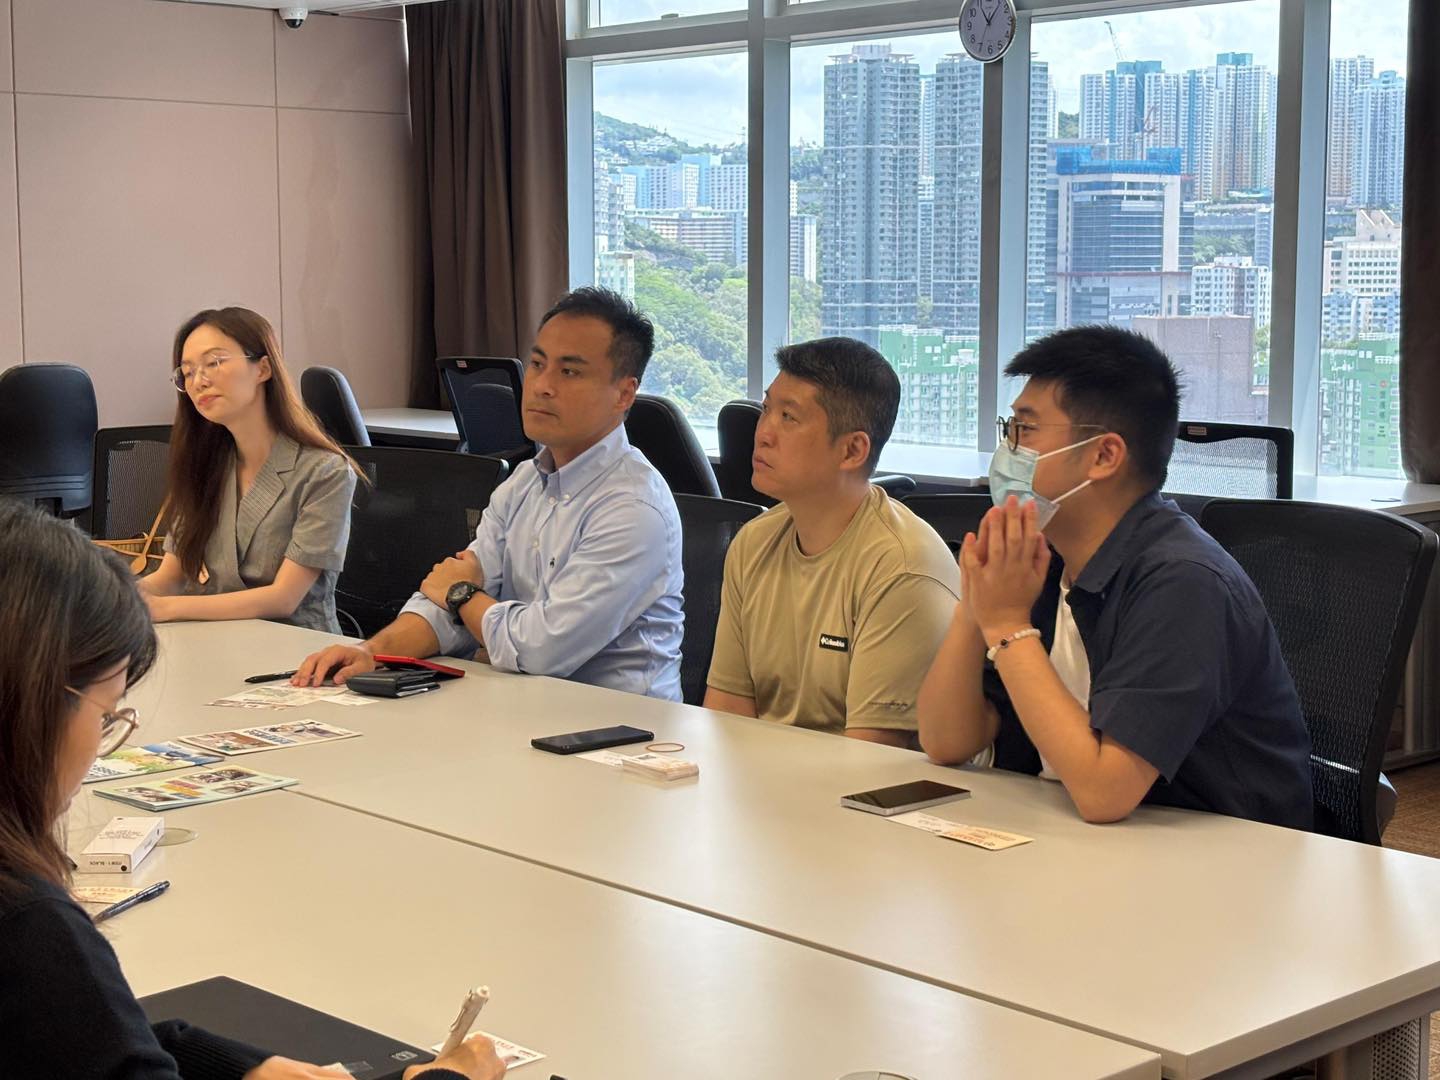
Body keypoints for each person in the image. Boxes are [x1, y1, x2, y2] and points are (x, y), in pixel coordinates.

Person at [0, 499, 504, 1079]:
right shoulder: (29, 928)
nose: (99, 748)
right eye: (107, 715)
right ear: (38, 705)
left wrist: (241, 1067)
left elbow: (76, 1039)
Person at [917, 325, 1314, 828]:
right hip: (1080, 837)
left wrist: (1008, 626)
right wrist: (977, 606)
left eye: (1025, 430)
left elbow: (1105, 793)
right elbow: (946, 741)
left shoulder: (1184, 582)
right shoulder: (1042, 557)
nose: (1008, 449)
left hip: (1218, 854)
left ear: (1104, 456)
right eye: (1009, 428)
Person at [294, 287, 684, 700]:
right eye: (537, 364)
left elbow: (540, 648)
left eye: (569, 372)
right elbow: (446, 606)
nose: (542, 386)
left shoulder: (633, 509)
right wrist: (372, 652)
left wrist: (463, 595)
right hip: (524, 705)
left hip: (620, 724)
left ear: (624, 393)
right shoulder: (523, 482)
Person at [703, 337, 961, 747]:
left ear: (852, 450)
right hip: (769, 776)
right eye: (767, 408)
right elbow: (726, 714)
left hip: (868, 782)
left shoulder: (902, 567)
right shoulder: (753, 541)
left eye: (789, 417)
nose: (763, 432)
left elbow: (873, 758)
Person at [139, 307, 360, 634]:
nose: (199, 381)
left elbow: (283, 598)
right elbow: (170, 577)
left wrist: (166, 608)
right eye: (187, 372)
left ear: (263, 369)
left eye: (214, 362)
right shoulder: (203, 464)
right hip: (213, 639)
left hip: (296, 647)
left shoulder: (325, 471)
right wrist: (118, 597)